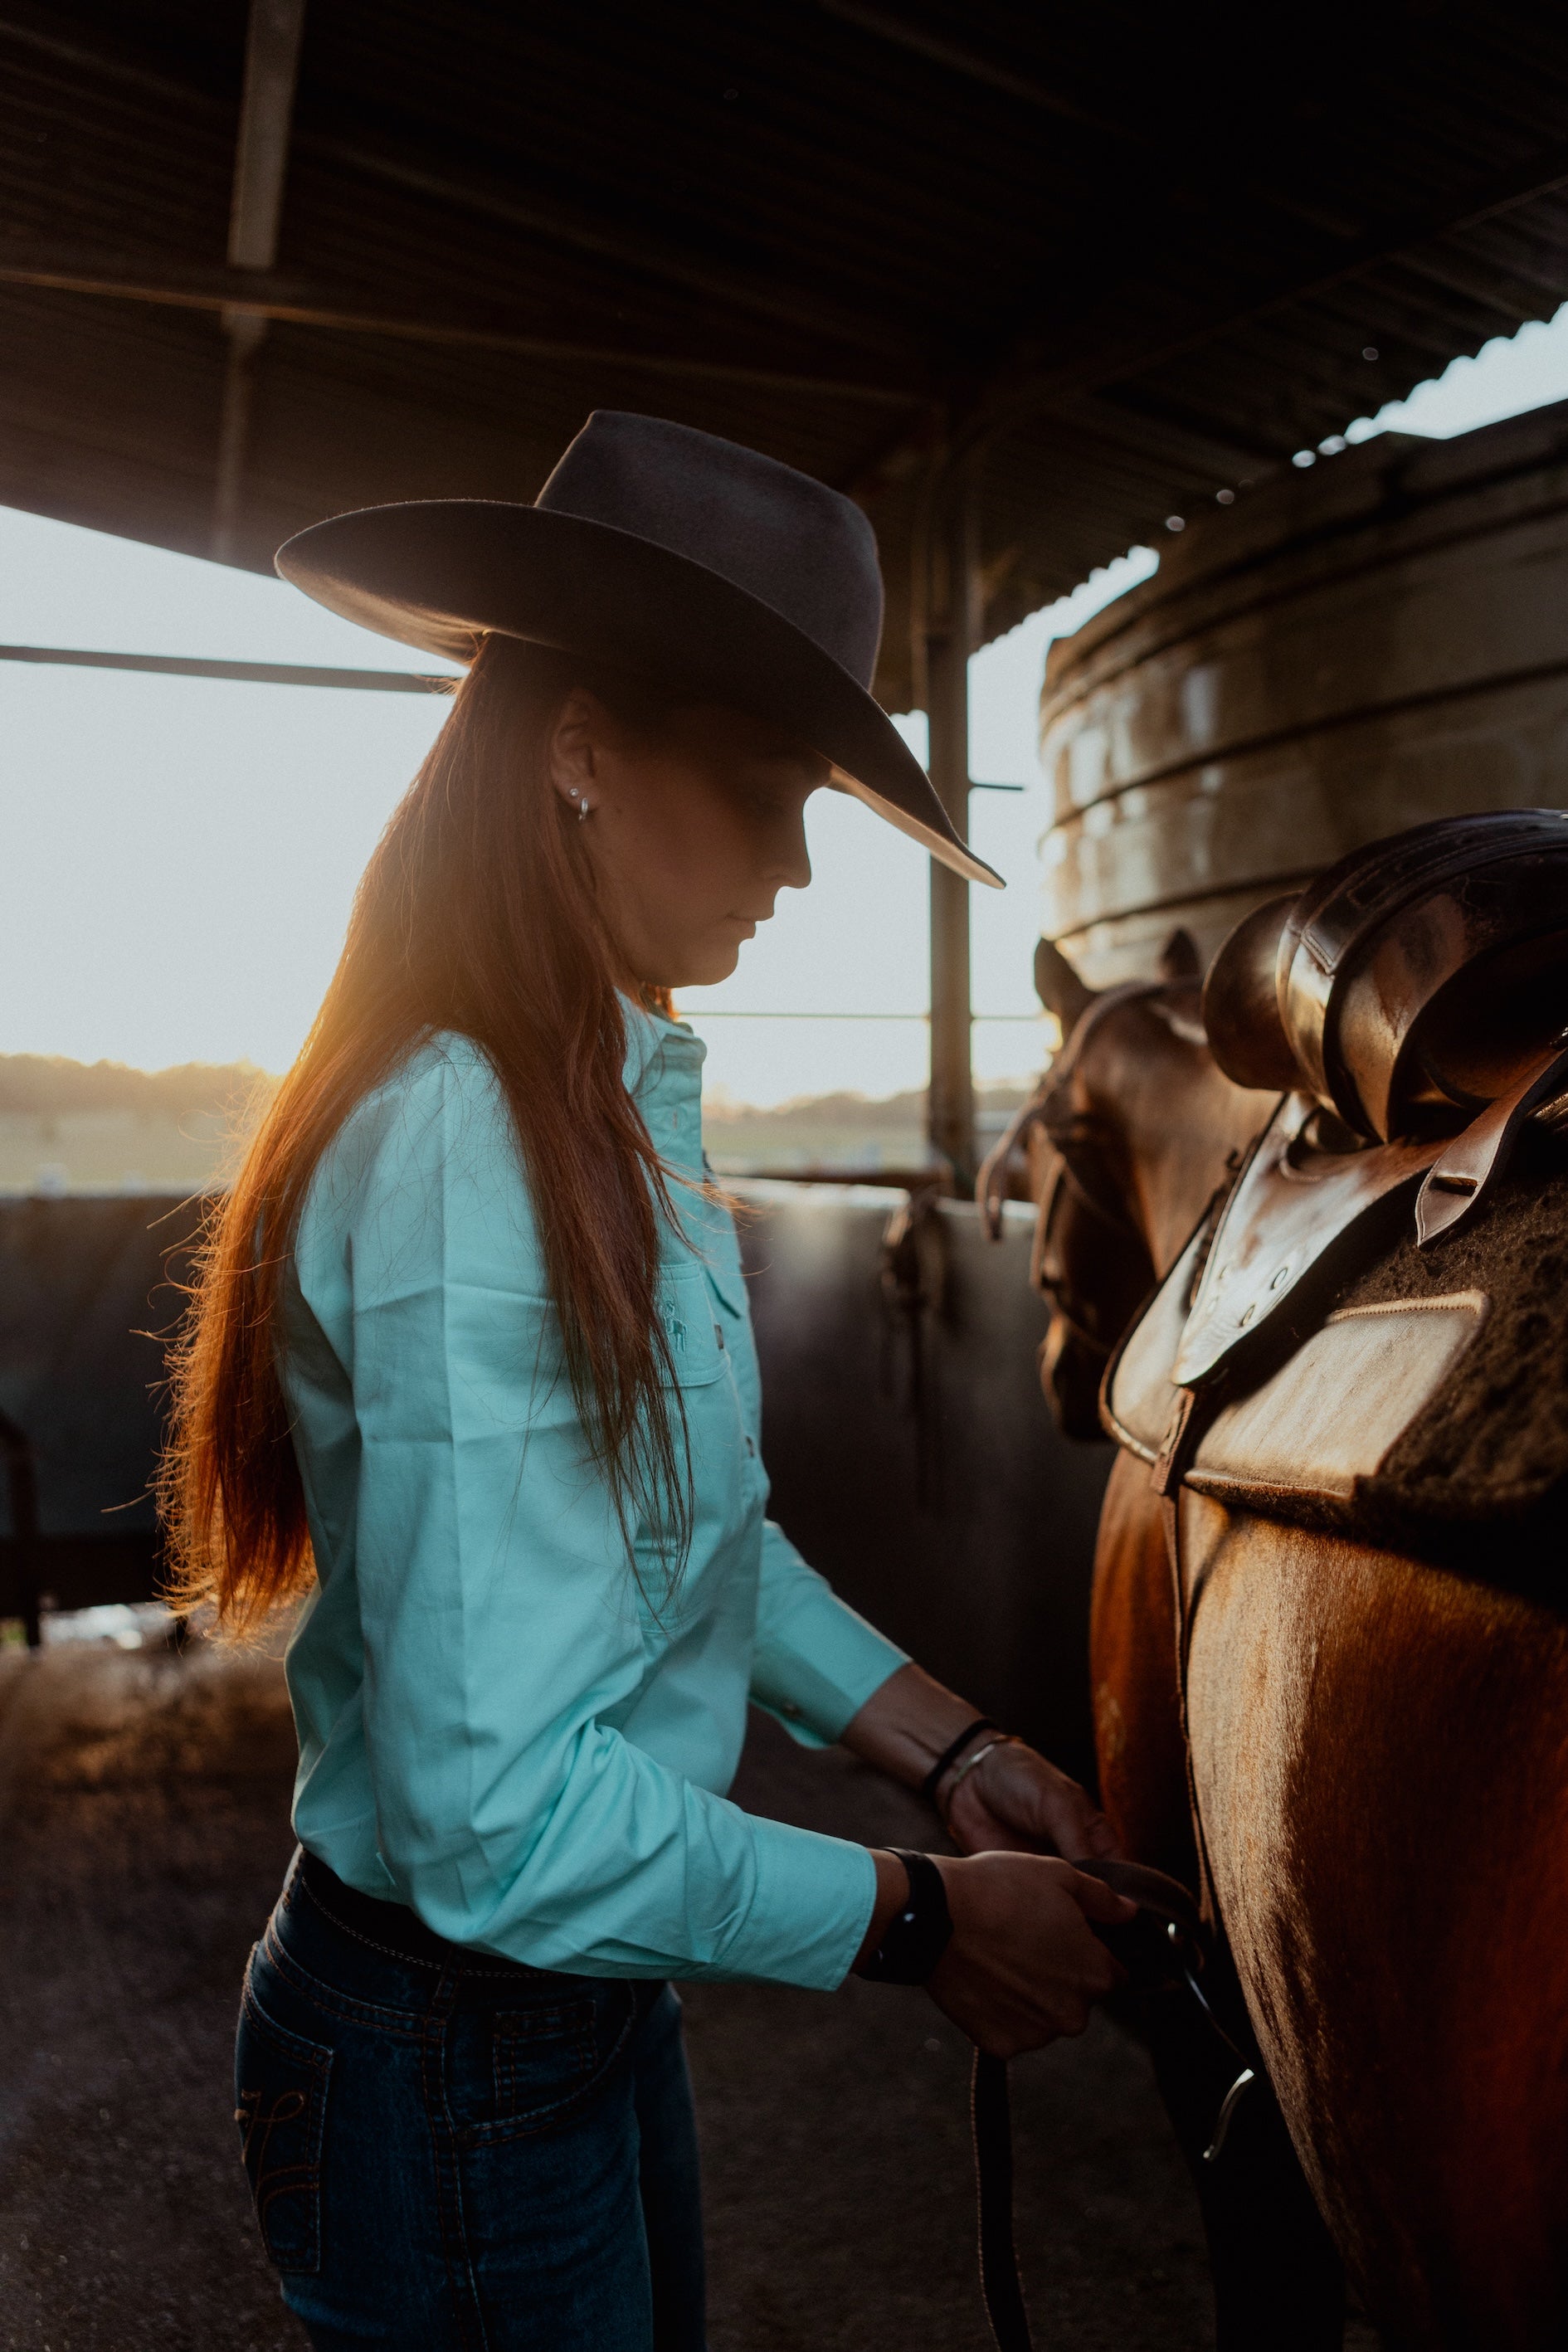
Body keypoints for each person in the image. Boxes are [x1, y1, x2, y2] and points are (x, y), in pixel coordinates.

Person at [163, 411, 1132, 2352]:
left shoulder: (606, 1106)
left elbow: (703, 1541)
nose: (792, 864)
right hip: (457, 2041)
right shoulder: (467, 1140)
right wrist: (922, 1918)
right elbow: (495, 1818)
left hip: (566, 2009)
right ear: (583, 748)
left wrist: (956, 1751)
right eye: (764, 788)